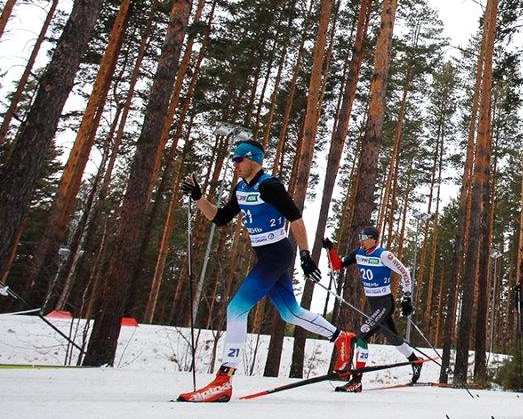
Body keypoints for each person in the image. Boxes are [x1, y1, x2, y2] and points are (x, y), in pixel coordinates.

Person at [176, 140, 353, 402]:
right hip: (266, 255)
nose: (234, 164)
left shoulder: (269, 186)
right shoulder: (241, 189)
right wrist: (199, 198)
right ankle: (341, 337)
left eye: (238, 159)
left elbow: (295, 218)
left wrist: (306, 255)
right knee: (290, 312)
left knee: (235, 309)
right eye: (232, 160)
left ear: (253, 160)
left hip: (277, 254)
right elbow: (220, 218)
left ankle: (224, 380)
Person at [322, 225, 421, 393]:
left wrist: (406, 297)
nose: (361, 239)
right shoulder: (358, 253)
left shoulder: (384, 255)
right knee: (393, 338)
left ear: (373, 239)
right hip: (373, 303)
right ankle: (415, 360)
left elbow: (404, 272)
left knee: (362, 335)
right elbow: (338, 265)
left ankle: (357, 381)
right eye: (360, 236)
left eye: (364, 236)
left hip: (384, 303)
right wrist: (330, 249)